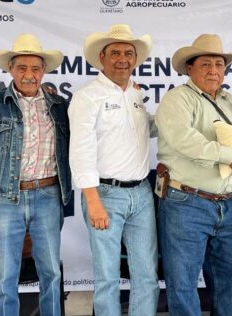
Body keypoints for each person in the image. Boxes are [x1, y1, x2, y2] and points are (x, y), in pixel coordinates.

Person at [0, 33, 72, 316]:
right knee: (6, 277)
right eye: (22, 68)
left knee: (51, 272)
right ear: (11, 69)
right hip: (5, 200)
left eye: (35, 68)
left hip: (48, 196)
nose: (29, 75)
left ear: (44, 71)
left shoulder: (59, 106)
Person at [155, 34, 232, 315]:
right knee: (183, 284)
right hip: (185, 202)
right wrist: (231, 157)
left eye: (219, 65)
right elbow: (185, 140)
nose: (213, 71)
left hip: (228, 204)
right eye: (206, 64)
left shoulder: (230, 100)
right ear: (190, 69)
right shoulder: (177, 99)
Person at [68, 24, 159, 315]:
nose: (123, 58)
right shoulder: (88, 96)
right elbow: (80, 150)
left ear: (135, 59)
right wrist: (92, 201)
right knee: (107, 277)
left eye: (129, 53)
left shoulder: (135, 95)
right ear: (102, 58)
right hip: (105, 194)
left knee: (146, 275)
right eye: (116, 52)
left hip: (142, 193)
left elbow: (148, 130)